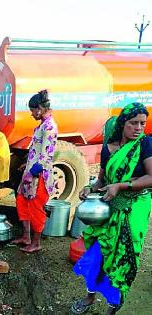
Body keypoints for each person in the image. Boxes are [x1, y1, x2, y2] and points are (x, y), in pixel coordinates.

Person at [71, 102, 152, 315]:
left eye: (142, 123)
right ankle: (89, 298)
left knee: (122, 260)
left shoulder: (145, 145)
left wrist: (122, 186)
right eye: (133, 123)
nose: (138, 128)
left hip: (133, 210)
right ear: (122, 123)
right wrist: (89, 188)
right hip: (109, 210)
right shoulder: (108, 149)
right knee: (97, 254)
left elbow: (151, 177)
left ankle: (111, 309)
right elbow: (101, 180)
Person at [11, 90, 58, 253]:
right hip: (31, 172)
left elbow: (46, 156)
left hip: (40, 176)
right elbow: (36, 150)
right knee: (21, 201)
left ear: (39, 108)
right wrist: (27, 165)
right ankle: (26, 236)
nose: (31, 114)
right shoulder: (42, 126)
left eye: (32, 110)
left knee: (36, 208)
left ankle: (36, 242)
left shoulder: (50, 127)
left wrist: (32, 173)